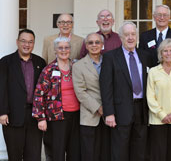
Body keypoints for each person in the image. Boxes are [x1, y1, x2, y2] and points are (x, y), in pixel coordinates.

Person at [100, 22, 150, 161]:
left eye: (133, 34)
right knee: (120, 151)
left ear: (137, 36)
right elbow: (106, 87)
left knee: (139, 151)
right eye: (126, 35)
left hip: (142, 110)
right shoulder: (110, 57)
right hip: (120, 111)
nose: (130, 38)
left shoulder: (145, 56)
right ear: (120, 37)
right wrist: (109, 113)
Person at [0, 29, 46, 161]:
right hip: (12, 116)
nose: (27, 44)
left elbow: (44, 89)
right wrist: (2, 111)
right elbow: (1, 87)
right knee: (14, 155)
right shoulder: (5, 62)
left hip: (34, 116)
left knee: (33, 155)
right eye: (23, 41)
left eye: (30, 42)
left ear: (34, 43)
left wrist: (43, 114)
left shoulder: (40, 62)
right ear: (17, 42)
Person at [33, 37, 80, 161]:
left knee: (75, 153)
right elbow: (39, 94)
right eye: (60, 47)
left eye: (66, 47)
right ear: (55, 50)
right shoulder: (48, 70)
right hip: (57, 117)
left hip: (77, 116)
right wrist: (40, 118)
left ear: (70, 49)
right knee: (56, 153)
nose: (63, 50)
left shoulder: (76, 66)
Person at [73, 33, 110, 161]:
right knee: (89, 154)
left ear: (102, 45)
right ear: (86, 46)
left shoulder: (110, 61)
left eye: (97, 42)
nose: (94, 45)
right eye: (90, 43)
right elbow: (80, 92)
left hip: (109, 115)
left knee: (106, 153)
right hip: (89, 115)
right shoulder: (78, 66)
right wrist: (99, 108)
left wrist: (108, 108)